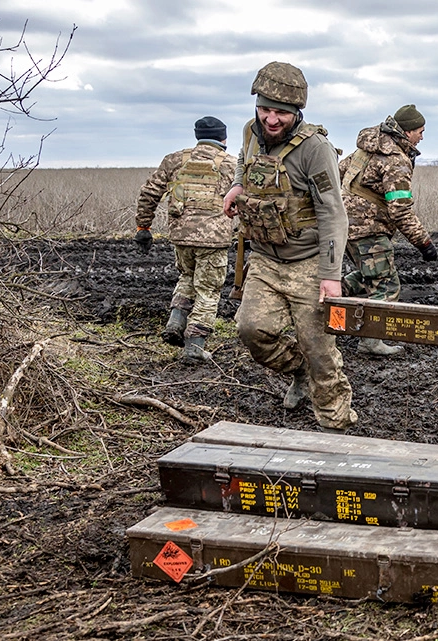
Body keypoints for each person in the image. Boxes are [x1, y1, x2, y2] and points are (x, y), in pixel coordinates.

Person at [222, 61, 356, 431]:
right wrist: (237, 185)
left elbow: (333, 213)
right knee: (251, 330)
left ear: (297, 111)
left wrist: (330, 275)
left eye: (280, 112)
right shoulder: (251, 131)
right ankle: (299, 370)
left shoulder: (315, 148)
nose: (271, 119)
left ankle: (335, 426)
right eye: (264, 109)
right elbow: (244, 159)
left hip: (309, 262)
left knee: (320, 351)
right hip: (265, 259)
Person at [339, 104, 438, 357]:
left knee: (370, 274)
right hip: (369, 230)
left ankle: (333, 296)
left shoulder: (367, 148)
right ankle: (371, 342)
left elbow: (339, 173)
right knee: (386, 284)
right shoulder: (396, 160)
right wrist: (424, 243)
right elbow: (401, 211)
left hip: (344, 226)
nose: (422, 137)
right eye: (420, 131)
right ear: (407, 132)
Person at [134, 116, 236, 363]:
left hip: (181, 237)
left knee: (187, 277)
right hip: (213, 240)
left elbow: (149, 193)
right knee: (208, 291)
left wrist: (143, 227)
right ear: (223, 138)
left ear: (197, 136)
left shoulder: (175, 160)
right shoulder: (232, 164)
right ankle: (195, 346)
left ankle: (176, 323)